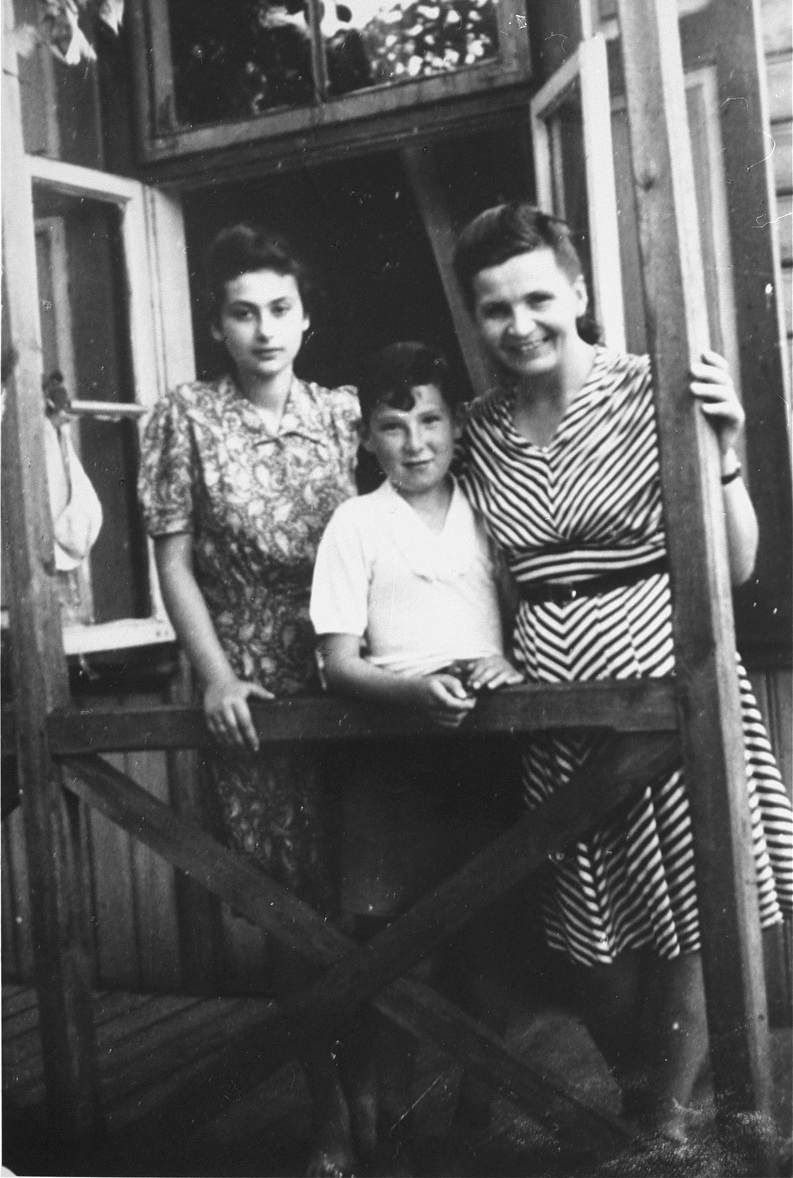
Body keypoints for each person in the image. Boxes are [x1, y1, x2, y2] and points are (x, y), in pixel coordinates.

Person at [451, 201, 793, 1143]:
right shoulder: (474, 430)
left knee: (687, 921)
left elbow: (735, 566)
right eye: (494, 309)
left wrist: (724, 457)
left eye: (536, 298)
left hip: (671, 696)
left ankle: (662, 1129)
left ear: (578, 291)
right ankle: (655, 1110)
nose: (518, 325)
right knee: (592, 949)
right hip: (555, 721)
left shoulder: (655, 388)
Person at [137, 223, 361, 1178]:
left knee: (374, 900)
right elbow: (174, 559)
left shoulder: (347, 415)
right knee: (289, 916)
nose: (264, 328)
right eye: (242, 313)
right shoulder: (185, 416)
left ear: (305, 318)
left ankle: (387, 1100)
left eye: (279, 308)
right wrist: (217, 672)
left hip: (355, 674)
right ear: (218, 326)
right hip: (254, 689)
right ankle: (330, 1117)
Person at [310, 341, 523, 1173]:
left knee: (487, 939)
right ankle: (389, 1130)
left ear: (456, 427)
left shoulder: (486, 513)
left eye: (430, 419)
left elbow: (519, 618)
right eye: (391, 426)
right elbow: (338, 661)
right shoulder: (356, 523)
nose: (414, 441)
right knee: (388, 946)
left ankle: (479, 1116)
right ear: (367, 439)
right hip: (389, 765)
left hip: (486, 756)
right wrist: (412, 693)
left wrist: (508, 665)